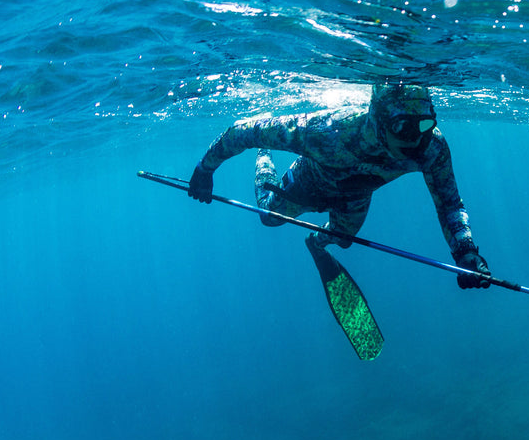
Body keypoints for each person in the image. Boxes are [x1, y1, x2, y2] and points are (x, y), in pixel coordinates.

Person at [186, 82, 491, 290]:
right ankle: (264, 156)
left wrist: (464, 252)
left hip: (355, 198)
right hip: (307, 185)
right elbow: (242, 131)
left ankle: (315, 243)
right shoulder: (327, 132)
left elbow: (449, 203)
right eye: (403, 127)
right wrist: (205, 168)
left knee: (343, 240)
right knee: (269, 217)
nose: (416, 139)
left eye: (425, 125)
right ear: (379, 120)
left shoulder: (432, 147)